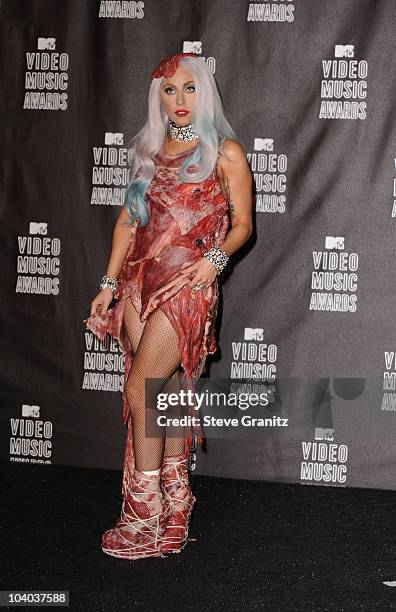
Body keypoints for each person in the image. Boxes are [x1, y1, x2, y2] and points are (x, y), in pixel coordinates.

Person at [83, 52, 253, 560]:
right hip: (138, 281)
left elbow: (243, 224)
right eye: (169, 91)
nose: (179, 100)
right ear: (157, 98)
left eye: (189, 89)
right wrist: (109, 283)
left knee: (143, 389)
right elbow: (127, 224)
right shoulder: (148, 152)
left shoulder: (225, 153)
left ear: (205, 93)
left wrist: (214, 262)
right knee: (166, 392)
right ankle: (178, 509)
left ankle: (145, 514)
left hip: (188, 285)